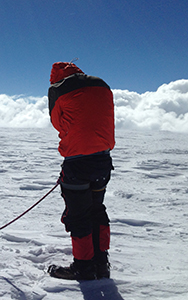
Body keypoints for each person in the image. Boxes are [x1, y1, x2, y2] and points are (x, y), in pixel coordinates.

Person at [47, 61, 115, 280]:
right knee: (97, 209)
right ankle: (101, 263)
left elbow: (58, 123)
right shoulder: (101, 84)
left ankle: (84, 267)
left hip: (77, 161)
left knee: (79, 216)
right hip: (103, 160)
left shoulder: (57, 90)